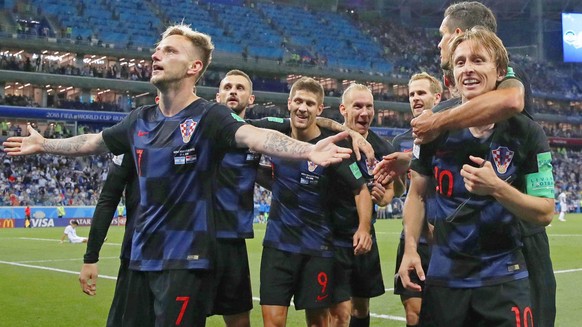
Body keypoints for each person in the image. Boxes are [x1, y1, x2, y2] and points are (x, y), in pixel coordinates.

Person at [3, 24, 353, 327]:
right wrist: (45, 143)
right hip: (138, 260)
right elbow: (92, 142)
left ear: (193, 67)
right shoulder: (138, 120)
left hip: (185, 263)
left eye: (169, 50)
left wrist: (308, 149)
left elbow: (256, 136)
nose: (157, 55)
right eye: (157, 49)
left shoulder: (209, 116)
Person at [375, 4, 557, 326]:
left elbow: (545, 211)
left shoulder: (522, 127)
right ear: (453, 75)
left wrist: (497, 187)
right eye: (461, 62)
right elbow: (418, 192)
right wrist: (411, 249)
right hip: (447, 273)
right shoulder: (434, 128)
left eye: (477, 60)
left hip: (508, 264)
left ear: (501, 71)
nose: (467, 68)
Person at [258, 77, 373, 327]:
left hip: (317, 248)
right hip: (278, 246)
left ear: (319, 109)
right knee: (273, 323)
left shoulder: (333, 147)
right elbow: (236, 126)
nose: (303, 108)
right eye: (298, 101)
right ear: (288, 103)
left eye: (310, 103)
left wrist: (364, 227)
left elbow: (361, 188)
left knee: (319, 323)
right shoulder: (274, 131)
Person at [327, 84, 395, 327]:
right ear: (343, 109)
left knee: (361, 307)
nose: (364, 112)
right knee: (339, 313)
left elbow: (392, 190)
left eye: (369, 106)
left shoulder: (383, 148)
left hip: (366, 236)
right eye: (358, 106)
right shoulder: (331, 142)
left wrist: (383, 198)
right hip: (333, 236)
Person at [392, 72, 442, 327]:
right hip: (412, 237)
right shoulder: (400, 141)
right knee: (414, 315)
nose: (415, 98)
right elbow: (401, 190)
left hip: (443, 238)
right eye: (412, 94)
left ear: (438, 97)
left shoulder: (449, 135)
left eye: (421, 93)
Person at [209, 69, 259, 327]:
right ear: (217, 96)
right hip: (198, 238)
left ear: (251, 99)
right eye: (227, 87)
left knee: (239, 320)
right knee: (186, 316)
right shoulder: (202, 127)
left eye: (240, 87)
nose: (233, 91)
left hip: (233, 240)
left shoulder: (257, 134)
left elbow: (301, 124)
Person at [78, 154, 138, 327]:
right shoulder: (132, 135)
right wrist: (90, 257)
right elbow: (108, 199)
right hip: (136, 255)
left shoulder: (198, 135)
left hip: (185, 255)